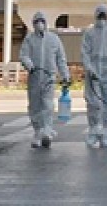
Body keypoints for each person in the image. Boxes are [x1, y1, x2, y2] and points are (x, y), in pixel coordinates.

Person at [19, 11, 70, 148]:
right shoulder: (29, 39)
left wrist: (65, 75)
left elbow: (61, 59)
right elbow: (24, 55)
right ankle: (38, 132)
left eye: (41, 21)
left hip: (49, 78)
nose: (39, 24)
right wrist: (29, 65)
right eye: (36, 22)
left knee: (47, 105)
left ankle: (47, 131)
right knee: (34, 106)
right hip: (34, 77)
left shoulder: (54, 39)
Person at [81, 4, 107, 148]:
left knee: (106, 104)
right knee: (93, 104)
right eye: (100, 15)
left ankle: (105, 133)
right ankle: (93, 132)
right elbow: (85, 52)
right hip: (93, 73)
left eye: (104, 15)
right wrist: (89, 68)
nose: (102, 18)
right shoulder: (89, 33)